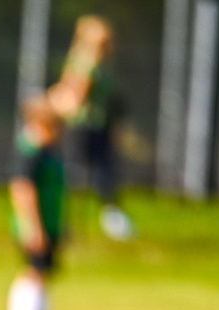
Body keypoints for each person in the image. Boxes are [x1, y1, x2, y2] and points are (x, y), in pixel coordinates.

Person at [51, 15, 133, 240]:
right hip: (82, 125)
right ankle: (63, 222)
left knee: (97, 173)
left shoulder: (98, 64)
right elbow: (76, 95)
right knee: (79, 174)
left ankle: (110, 218)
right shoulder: (86, 63)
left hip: (96, 124)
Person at [5, 95, 66, 310]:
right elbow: (22, 189)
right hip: (34, 225)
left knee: (43, 275)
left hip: (49, 223)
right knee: (32, 273)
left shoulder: (47, 151)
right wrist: (33, 226)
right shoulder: (29, 150)